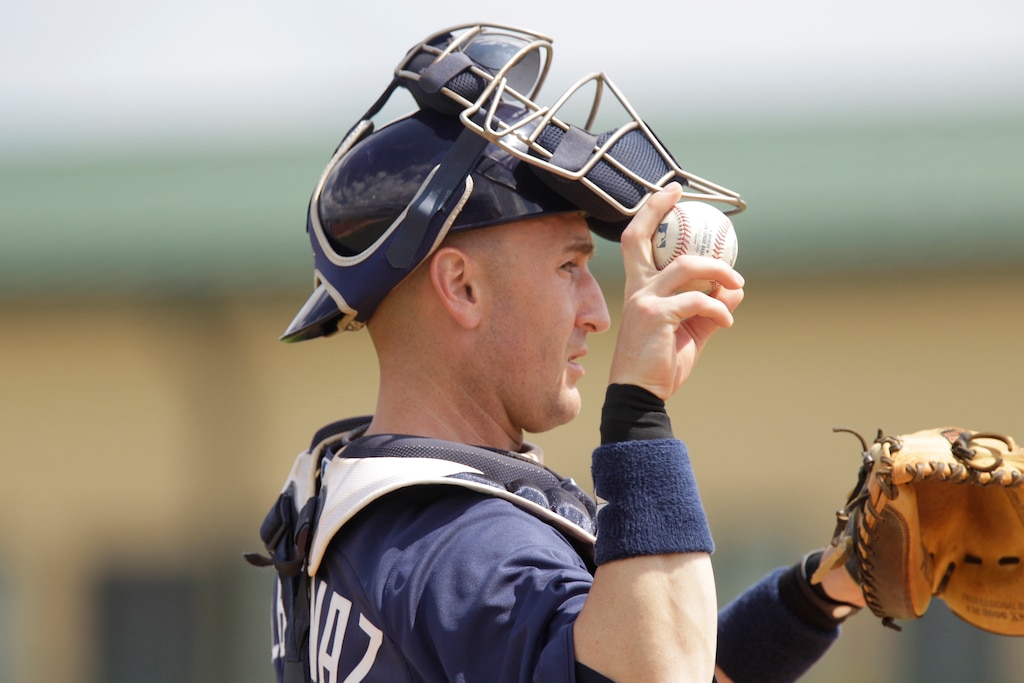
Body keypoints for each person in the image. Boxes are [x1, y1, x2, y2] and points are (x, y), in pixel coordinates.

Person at [248, 24, 865, 683]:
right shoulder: (462, 542)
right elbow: (651, 673)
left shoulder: (380, 510)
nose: (600, 312)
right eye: (571, 265)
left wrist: (820, 595)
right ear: (462, 286)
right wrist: (638, 411)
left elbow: (657, 659)